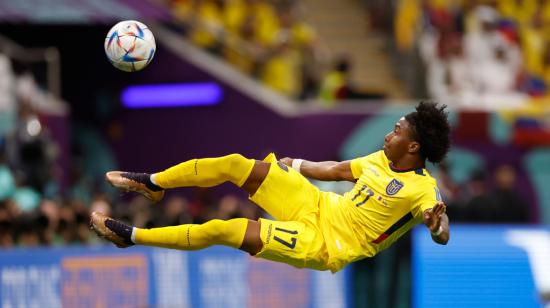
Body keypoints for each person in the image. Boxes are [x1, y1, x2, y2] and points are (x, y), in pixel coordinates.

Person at [90, 101, 451, 273]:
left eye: (398, 132)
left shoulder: (422, 189)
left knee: (225, 230)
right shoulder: (381, 159)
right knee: (235, 164)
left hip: (327, 244)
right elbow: (339, 170)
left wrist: (437, 227)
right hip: (318, 204)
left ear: (414, 147)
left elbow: (440, 230)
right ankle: (152, 183)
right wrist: (296, 164)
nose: (389, 135)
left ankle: (133, 236)